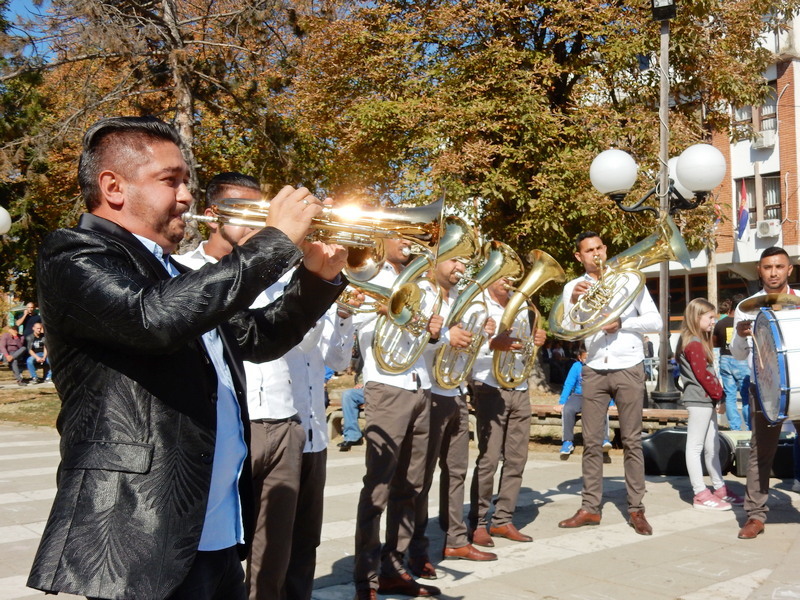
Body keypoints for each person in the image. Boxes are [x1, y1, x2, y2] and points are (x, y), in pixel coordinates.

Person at [26, 116, 348, 600]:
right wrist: (274, 242)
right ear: (113, 187)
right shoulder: (73, 254)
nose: (186, 197)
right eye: (169, 181)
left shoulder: (173, 271)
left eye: (186, 183)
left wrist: (316, 280)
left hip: (213, 530)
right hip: (137, 538)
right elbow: (152, 319)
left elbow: (257, 339)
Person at [175, 171, 355, 600]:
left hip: (285, 420)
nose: (259, 224)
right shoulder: (184, 271)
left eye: (264, 213)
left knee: (275, 552)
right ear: (213, 214)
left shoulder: (280, 273)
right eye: (246, 213)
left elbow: (305, 348)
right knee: (216, 554)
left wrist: (321, 287)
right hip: (224, 426)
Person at [352, 238, 442, 600]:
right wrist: (386, 311)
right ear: (383, 238)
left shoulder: (423, 285)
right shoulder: (367, 273)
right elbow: (357, 327)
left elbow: (427, 341)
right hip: (387, 385)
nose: (410, 241)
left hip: (421, 384)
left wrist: (434, 332)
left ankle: (395, 566)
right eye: (402, 233)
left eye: (416, 233)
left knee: (411, 486)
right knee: (378, 486)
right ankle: (367, 578)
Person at [557, 231, 661, 536]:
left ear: (606, 248)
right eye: (588, 251)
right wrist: (574, 301)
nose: (595, 254)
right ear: (580, 257)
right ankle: (590, 507)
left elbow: (655, 321)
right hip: (594, 368)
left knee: (631, 440)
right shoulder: (572, 287)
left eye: (599, 248)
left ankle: (636, 508)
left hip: (628, 366)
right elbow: (566, 330)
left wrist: (622, 322)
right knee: (591, 441)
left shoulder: (629, 280)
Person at [408, 259, 497, 580]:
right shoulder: (419, 290)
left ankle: (456, 540)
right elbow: (413, 334)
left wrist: (482, 336)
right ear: (438, 259)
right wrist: (447, 334)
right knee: (421, 477)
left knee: (457, 470)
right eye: (455, 257)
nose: (461, 265)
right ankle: (416, 548)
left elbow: (468, 349)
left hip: (456, 392)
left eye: (464, 259)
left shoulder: (464, 297)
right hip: (428, 393)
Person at [468, 276, 546, 548]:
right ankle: (477, 522)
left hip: (519, 385)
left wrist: (536, 341)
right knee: (488, 459)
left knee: (517, 458)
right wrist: (491, 343)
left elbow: (523, 348)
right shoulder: (476, 306)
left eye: (513, 277)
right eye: (504, 275)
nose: (509, 281)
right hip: (489, 385)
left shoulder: (522, 308)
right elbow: (463, 350)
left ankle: (503, 520)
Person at [730, 246, 800, 540]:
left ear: (789, 270)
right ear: (759, 270)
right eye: (768, 267)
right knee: (761, 452)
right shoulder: (746, 306)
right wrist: (741, 336)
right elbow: (735, 354)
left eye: (779, 267)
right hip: (764, 388)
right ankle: (755, 515)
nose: (773, 273)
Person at [678, 298, 743, 511]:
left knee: (711, 445)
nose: (713, 321)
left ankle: (718, 488)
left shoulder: (693, 340)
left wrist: (717, 396)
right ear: (697, 317)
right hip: (700, 399)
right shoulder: (694, 343)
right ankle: (700, 493)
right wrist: (720, 395)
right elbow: (704, 375)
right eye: (710, 317)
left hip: (704, 399)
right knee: (696, 446)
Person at [557, 348, 611, 457]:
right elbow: (569, 384)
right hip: (578, 396)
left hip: (596, 396)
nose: (588, 360)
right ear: (580, 358)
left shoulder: (599, 366)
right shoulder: (576, 367)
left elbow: (608, 385)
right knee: (568, 409)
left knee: (602, 409)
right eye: (585, 357)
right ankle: (567, 441)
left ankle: (604, 439)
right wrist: (562, 402)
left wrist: (611, 403)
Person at [713, 295, 750, 430]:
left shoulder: (720, 323)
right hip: (742, 360)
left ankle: (735, 427)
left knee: (730, 395)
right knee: (746, 396)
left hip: (725, 359)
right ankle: (750, 426)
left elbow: (715, 342)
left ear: (731, 307)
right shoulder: (746, 323)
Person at [338, 383, 365, 451]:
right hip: (369, 388)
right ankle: (353, 436)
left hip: (389, 387)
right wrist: (363, 383)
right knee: (348, 395)